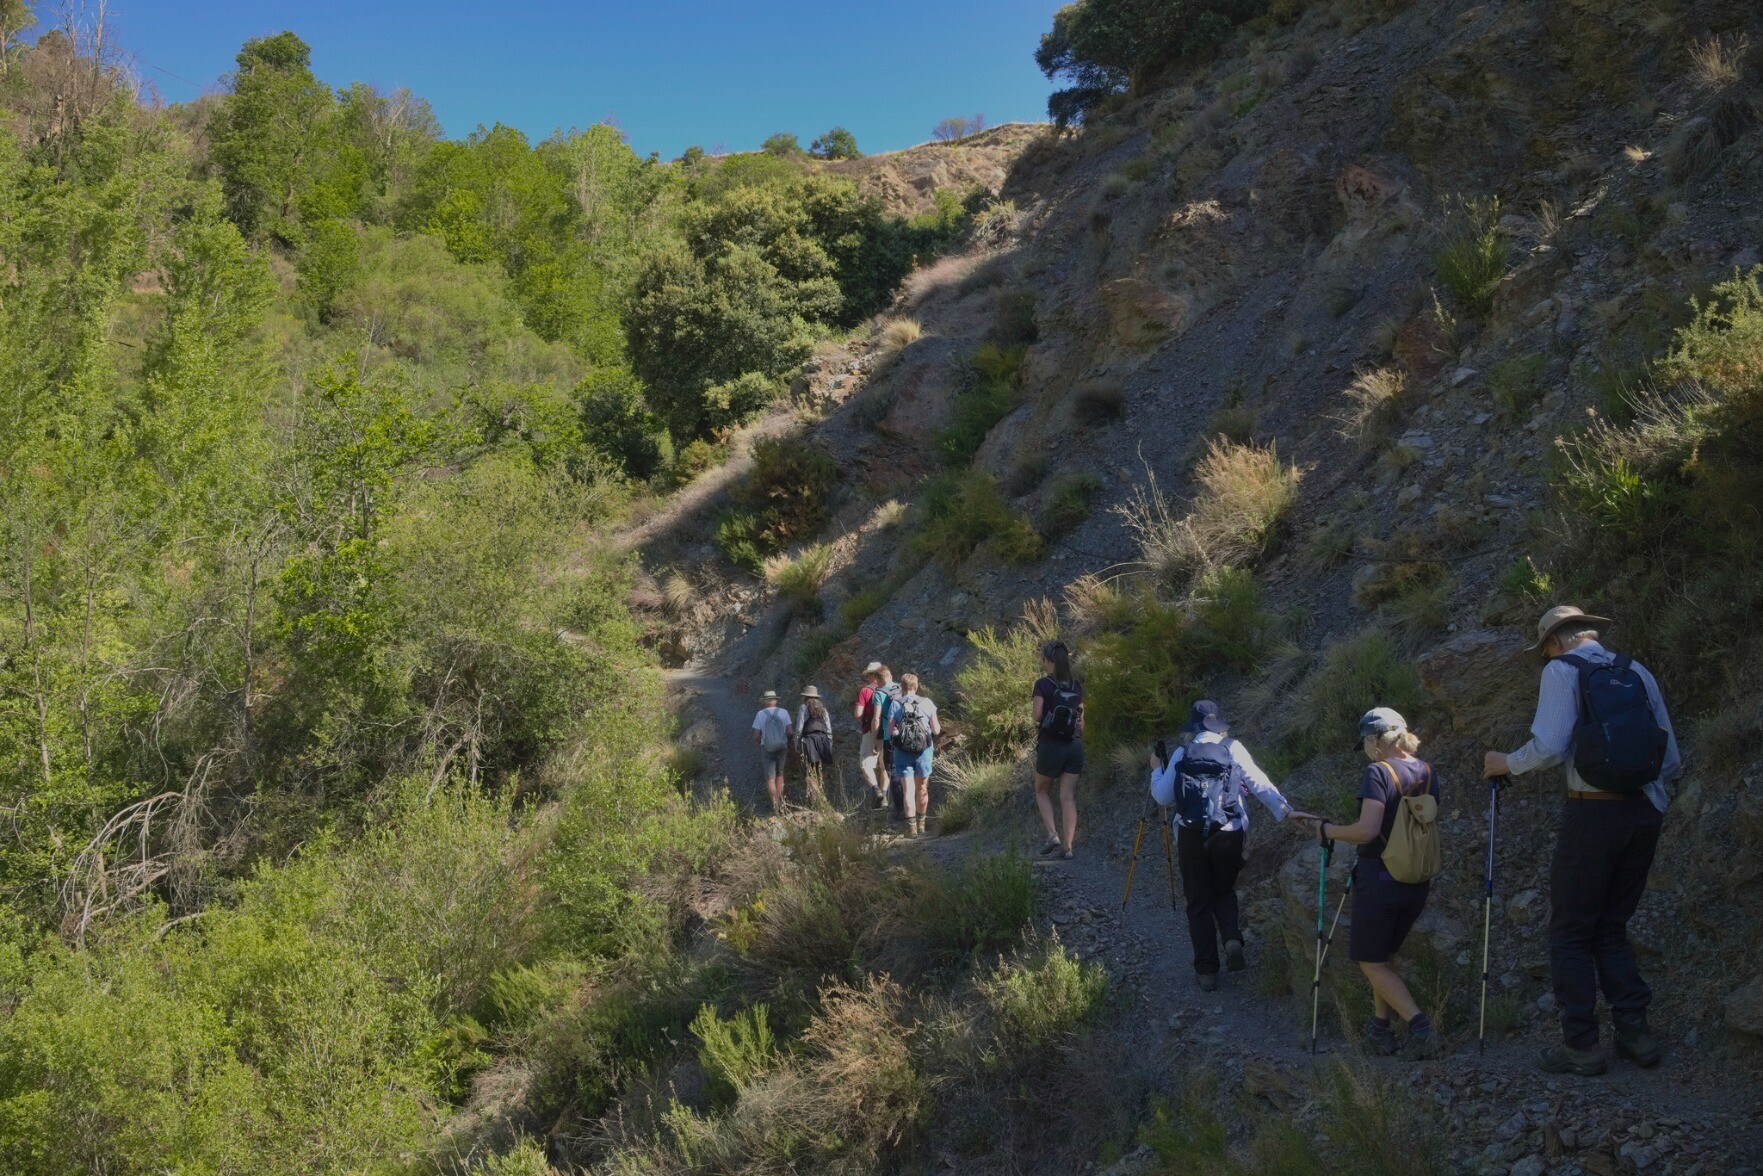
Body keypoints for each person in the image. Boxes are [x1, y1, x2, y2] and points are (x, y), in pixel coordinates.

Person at [1482, 605, 1680, 1077]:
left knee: (1571, 932)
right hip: (1644, 813)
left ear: (1554, 642)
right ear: (1591, 634)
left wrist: (1504, 763)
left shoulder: (1561, 670)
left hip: (1592, 814)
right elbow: (1670, 756)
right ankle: (1636, 1033)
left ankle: (1582, 1046)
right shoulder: (1635, 670)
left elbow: (1549, 745)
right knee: (1611, 926)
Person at [1151, 700, 1313, 991]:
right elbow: (1259, 782)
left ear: (1194, 726)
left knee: (1198, 901)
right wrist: (1286, 811)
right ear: (1218, 724)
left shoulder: (1181, 752)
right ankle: (1232, 939)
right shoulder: (1233, 748)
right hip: (1229, 831)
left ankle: (1207, 973)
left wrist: (1155, 770)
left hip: (1190, 835)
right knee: (1223, 890)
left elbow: (1163, 798)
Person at [1315, 707, 1443, 1059]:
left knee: (1371, 963)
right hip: (1416, 880)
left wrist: (1327, 830)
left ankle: (1421, 1029)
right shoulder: (1428, 771)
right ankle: (1379, 1029)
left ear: (1375, 741)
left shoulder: (1378, 771)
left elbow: (1368, 831)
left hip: (1381, 880)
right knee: (1382, 958)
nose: (1369, 751)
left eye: (1367, 743)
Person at [1032, 640, 1084, 859]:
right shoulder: (1076, 685)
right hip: (1074, 746)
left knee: (1041, 790)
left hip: (1050, 745)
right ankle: (1069, 848)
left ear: (1049, 660)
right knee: (1068, 797)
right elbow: (1082, 722)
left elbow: (1036, 715)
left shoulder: (1042, 684)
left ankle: (1053, 835)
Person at [889, 673, 941, 836]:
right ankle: (922, 825)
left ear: (902, 688)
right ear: (916, 687)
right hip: (923, 752)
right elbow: (936, 730)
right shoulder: (927, 703)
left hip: (902, 752)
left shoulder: (896, 704)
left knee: (908, 791)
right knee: (922, 789)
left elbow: (890, 731)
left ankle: (911, 829)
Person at [750, 689, 794, 814]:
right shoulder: (784, 712)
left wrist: (761, 743)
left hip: (767, 748)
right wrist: (787, 741)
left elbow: (756, 735)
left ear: (765, 702)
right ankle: (781, 803)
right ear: (775, 701)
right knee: (780, 775)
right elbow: (790, 732)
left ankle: (775, 807)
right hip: (782, 747)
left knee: (770, 778)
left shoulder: (760, 714)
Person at [854, 663, 889, 808]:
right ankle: (885, 796)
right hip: (888, 732)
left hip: (871, 731)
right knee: (884, 767)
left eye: (868, 675)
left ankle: (877, 791)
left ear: (872, 675)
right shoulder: (890, 689)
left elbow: (858, 714)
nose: (867, 677)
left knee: (865, 764)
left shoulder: (866, 691)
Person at [795, 685, 834, 806]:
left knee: (809, 771)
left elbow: (799, 727)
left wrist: (796, 742)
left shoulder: (803, 707)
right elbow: (828, 728)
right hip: (822, 740)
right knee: (819, 769)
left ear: (805, 697)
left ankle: (814, 800)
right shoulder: (823, 708)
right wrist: (830, 744)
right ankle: (821, 796)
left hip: (809, 740)